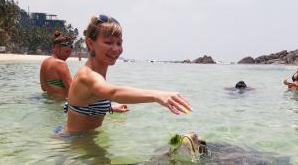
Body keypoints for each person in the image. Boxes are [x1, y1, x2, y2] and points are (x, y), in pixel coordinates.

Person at [63, 14, 191, 133]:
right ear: (91, 43)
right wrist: (156, 95)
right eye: (108, 42)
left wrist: (110, 108)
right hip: (74, 145)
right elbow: (113, 93)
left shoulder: (96, 72)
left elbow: (84, 103)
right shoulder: (87, 75)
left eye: (119, 43)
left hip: (82, 140)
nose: (116, 49)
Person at [39, 31, 73, 98]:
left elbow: (43, 88)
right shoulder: (61, 64)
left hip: (49, 105)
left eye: (70, 52)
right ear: (57, 48)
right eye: (66, 51)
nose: (69, 55)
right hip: (60, 105)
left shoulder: (44, 63)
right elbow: (72, 92)